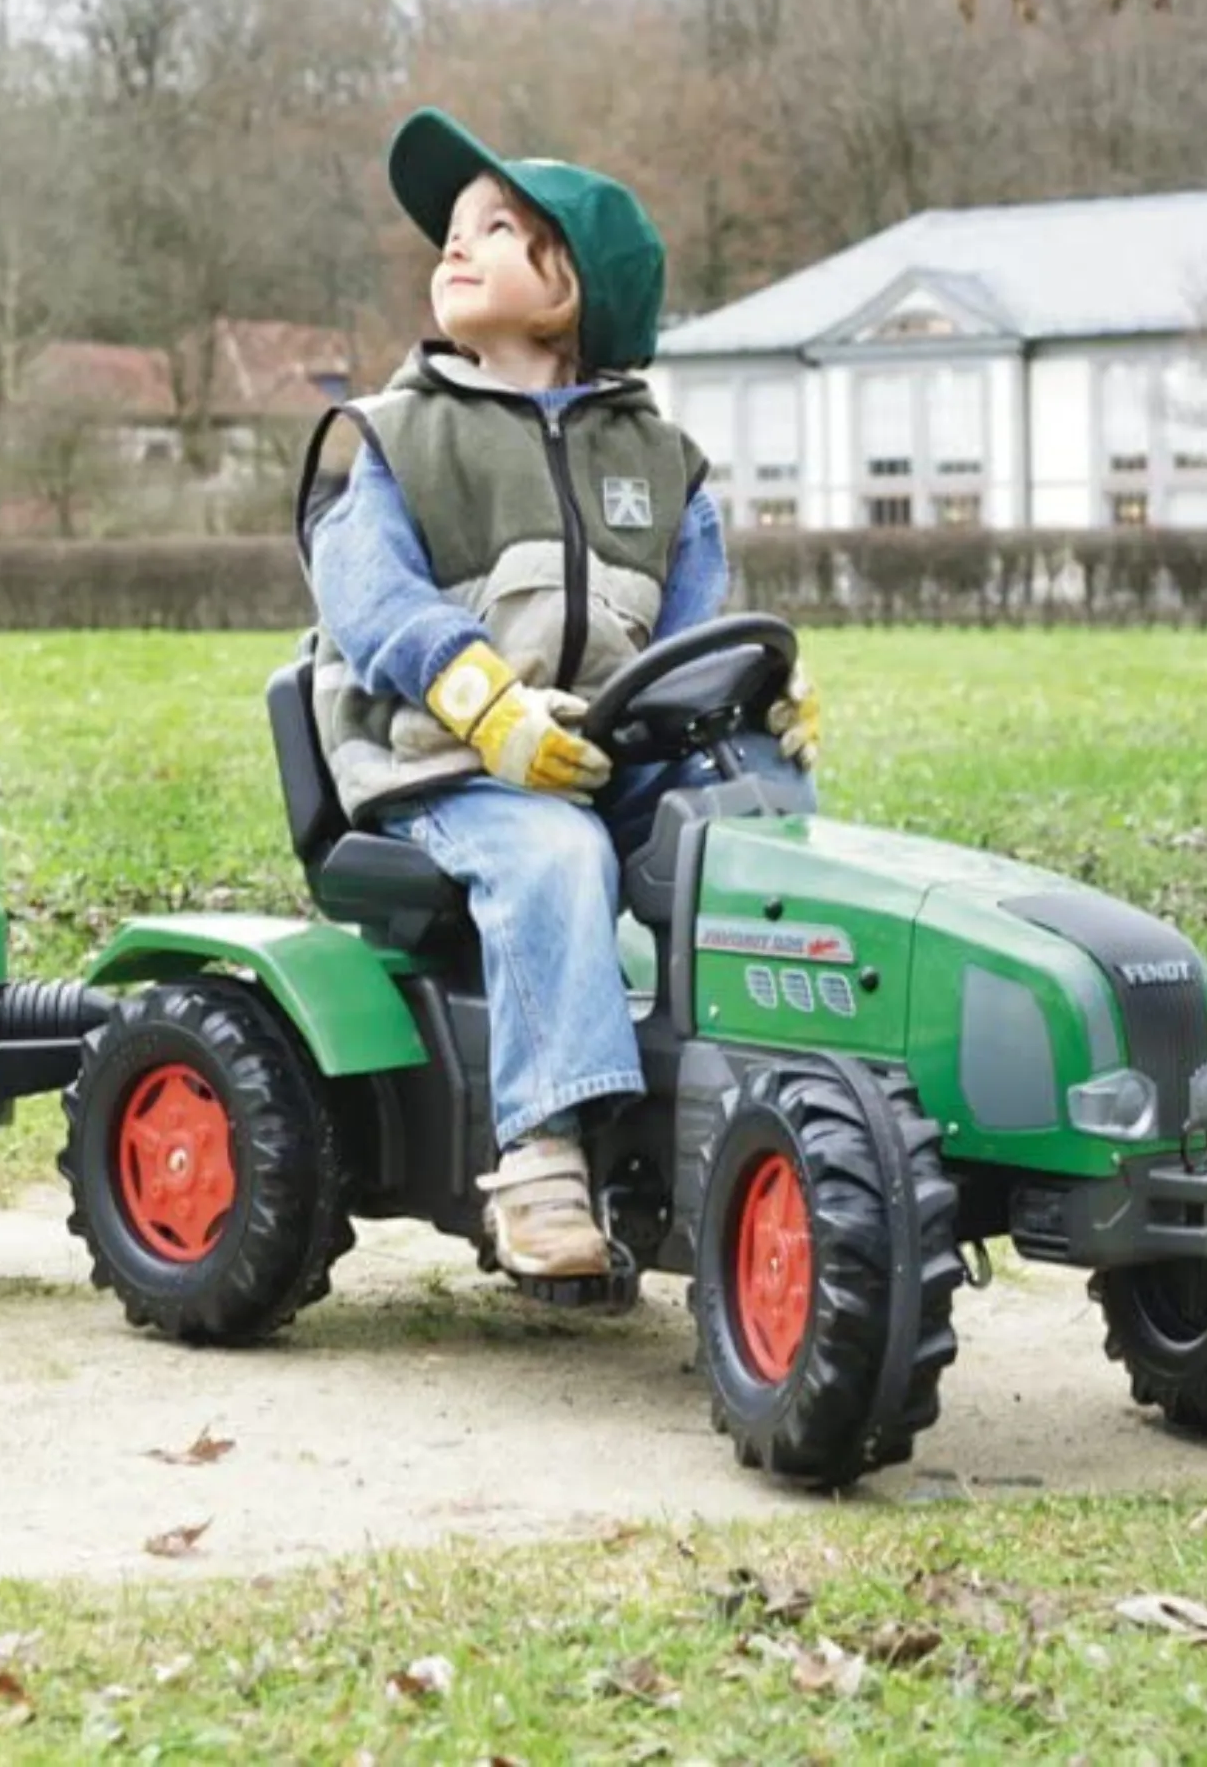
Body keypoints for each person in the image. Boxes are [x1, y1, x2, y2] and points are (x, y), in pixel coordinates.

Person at [297, 107, 818, 1279]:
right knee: (552, 854)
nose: (452, 243)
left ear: (570, 287)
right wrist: (482, 700)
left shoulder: (661, 461)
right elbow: (362, 589)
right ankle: (538, 1157)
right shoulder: (395, 435)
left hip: (607, 753)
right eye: (451, 229)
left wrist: (757, 710)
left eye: (495, 228)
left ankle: (783, 1080)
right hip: (440, 762)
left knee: (754, 829)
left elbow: (695, 634)